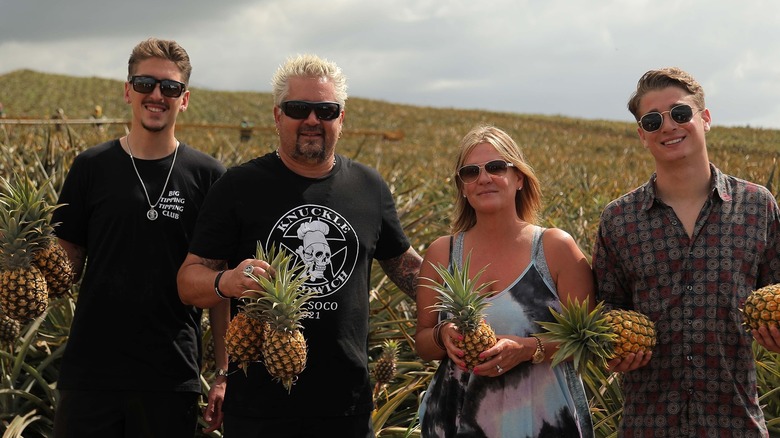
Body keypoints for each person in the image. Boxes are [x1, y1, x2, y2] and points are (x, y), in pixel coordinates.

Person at [177, 53, 422, 437]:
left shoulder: (369, 187)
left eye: (325, 109)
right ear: (278, 116)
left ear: (341, 118)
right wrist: (227, 281)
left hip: (346, 406)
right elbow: (189, 280)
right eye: (298, 108)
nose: (312, 119)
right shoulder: (238, 186)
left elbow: (405, 266)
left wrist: (475, 296)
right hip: (259, 409)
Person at [51, 38, 226, 438]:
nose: (157, 95)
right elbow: (67, 259)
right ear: (128, 90)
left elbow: (221, 283)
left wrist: (222, 372)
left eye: (170, 87)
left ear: (185, 99)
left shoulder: (208, 176)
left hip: (170, 375)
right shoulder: (91, 167)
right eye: (146, 83)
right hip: (90, 374)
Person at [592, 67, 780, 437]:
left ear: (705, 119)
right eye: (652, 120)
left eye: (680, 113)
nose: (668, 127)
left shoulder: (757, 205)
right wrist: (612, 347)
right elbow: (606, 305)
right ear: (641, 135)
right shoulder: (619, 219)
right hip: (648, 425)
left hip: (734, 423)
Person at [415, 125, 595, 437]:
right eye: (470, 172)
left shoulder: (555, 248)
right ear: (462, 187)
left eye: (497, 167)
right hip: (457, 419)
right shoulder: (441, 252)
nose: (483, 178)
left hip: (543, 420)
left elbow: (588, 339)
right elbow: (423, 343)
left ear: (519, 178)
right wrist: (443, 334)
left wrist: (528, 348)